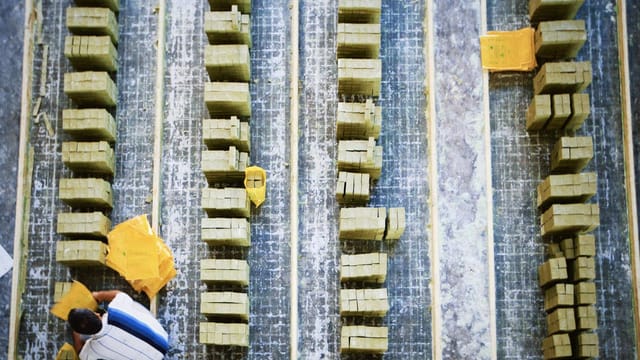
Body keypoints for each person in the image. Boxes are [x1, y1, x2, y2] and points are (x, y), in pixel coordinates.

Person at [68, 290, 169, 360]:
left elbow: (81, 353)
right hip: (162, 338)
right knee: (129, 304)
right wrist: (98, 295)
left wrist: (75, 333)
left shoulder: (93, 349)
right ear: (97, 314)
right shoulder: (116, 310)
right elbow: (120, 294)